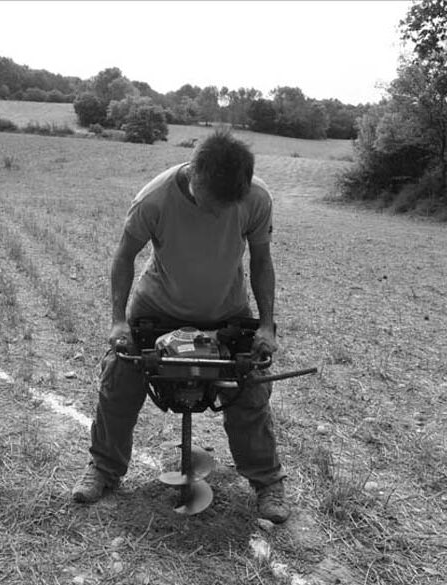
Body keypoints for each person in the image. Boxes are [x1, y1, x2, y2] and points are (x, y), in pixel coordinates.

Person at [72, 128, 290, 523]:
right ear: (194, 176)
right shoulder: (154, 200)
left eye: (228, 206)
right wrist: (119, 321)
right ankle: (104, 468)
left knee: (250, 388)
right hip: (158, 309)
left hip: (226, 312)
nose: (220, 213)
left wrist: (268, 327)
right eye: (212, 205)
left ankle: (267, 481)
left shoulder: (256, 198)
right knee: (120, 378)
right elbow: (124, 257)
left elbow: (261, 260)